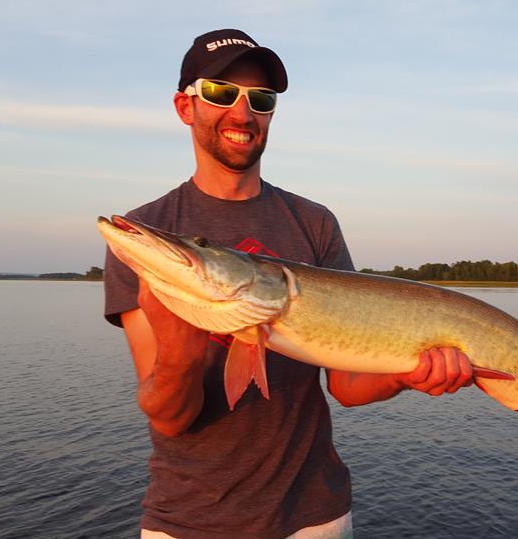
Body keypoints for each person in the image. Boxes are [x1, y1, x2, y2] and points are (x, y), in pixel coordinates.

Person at [103, 29, 475, 539]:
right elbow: (170, 419)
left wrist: (409, 373)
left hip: (315, 517)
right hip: (187, 521)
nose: (242, 113)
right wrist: (180, 353)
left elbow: (346, 386)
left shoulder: (314, 223)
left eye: (260, 99)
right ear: (185, 107)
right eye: (220, 93)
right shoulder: (147, 238)